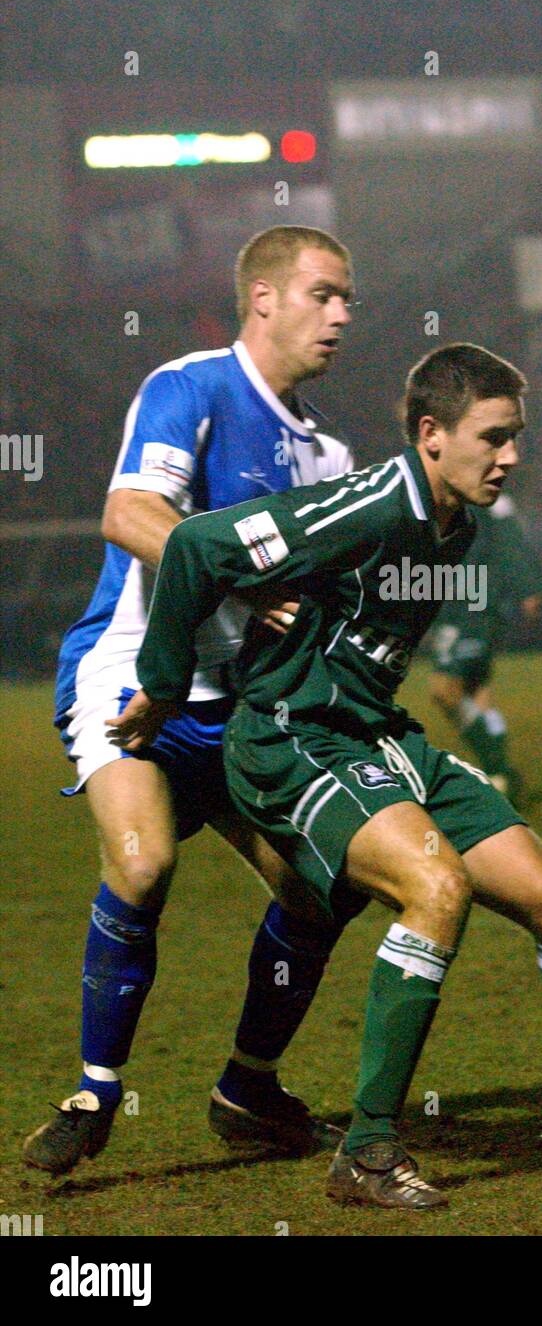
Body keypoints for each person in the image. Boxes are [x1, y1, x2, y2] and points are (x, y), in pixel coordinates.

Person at [111, 343, 542, 1212]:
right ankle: (366, 1152)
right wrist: (165, 688)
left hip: (376, 735)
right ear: (432, 434)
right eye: (495, 437)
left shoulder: (459, 526)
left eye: (516, 437)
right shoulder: (366, 506)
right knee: (435, 888)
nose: (510, 456)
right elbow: (197, 548)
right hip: (292, 740)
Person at [24, 225, 364, 1175]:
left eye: (348, 301)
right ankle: (93, 1091)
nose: (340, 316)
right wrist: (255, 584)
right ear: (263, 298)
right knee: (143, 865)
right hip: (134, 678)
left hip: (240, 709)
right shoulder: (192, 387)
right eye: (323, 294)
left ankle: (248, 1088)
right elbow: (129, 514)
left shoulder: (327, 456)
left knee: (318, 891)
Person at [428, 492, 541, 802]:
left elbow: (512, 545)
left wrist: (526, 588)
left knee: (444, 690)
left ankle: (498, 768)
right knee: (478, 692)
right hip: (454, 605)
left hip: (474, 607)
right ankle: (502, 775)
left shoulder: (490, 501)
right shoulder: (439, 493)